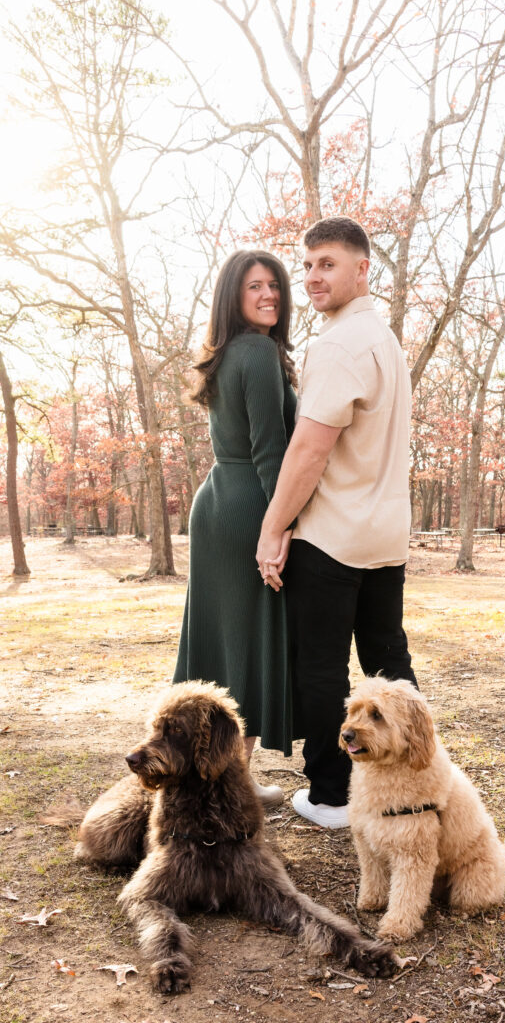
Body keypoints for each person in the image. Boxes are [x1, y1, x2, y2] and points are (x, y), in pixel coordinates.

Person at [256, 216, 417, 828]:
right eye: (309, 264)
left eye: (328, 263)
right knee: (388, 665)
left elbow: (308, 451)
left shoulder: (337, 345)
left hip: (333, 536)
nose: (313, 276)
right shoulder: (384, 339)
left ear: (361, 269)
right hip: (385, 534)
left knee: (320, 667)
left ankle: (331, 796)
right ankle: (410, 783)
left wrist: (273, 529)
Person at [174, 250, 299, 806]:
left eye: (274, 285)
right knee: (247, 645)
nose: (269, 294)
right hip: (250, 506)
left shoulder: (225, 353)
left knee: (222, 645)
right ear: (234, 295)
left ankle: (222, 780)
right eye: (255, 286)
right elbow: (271, 452)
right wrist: (282, 525)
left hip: (217, 501)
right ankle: (232, 789)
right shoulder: (257, 351)